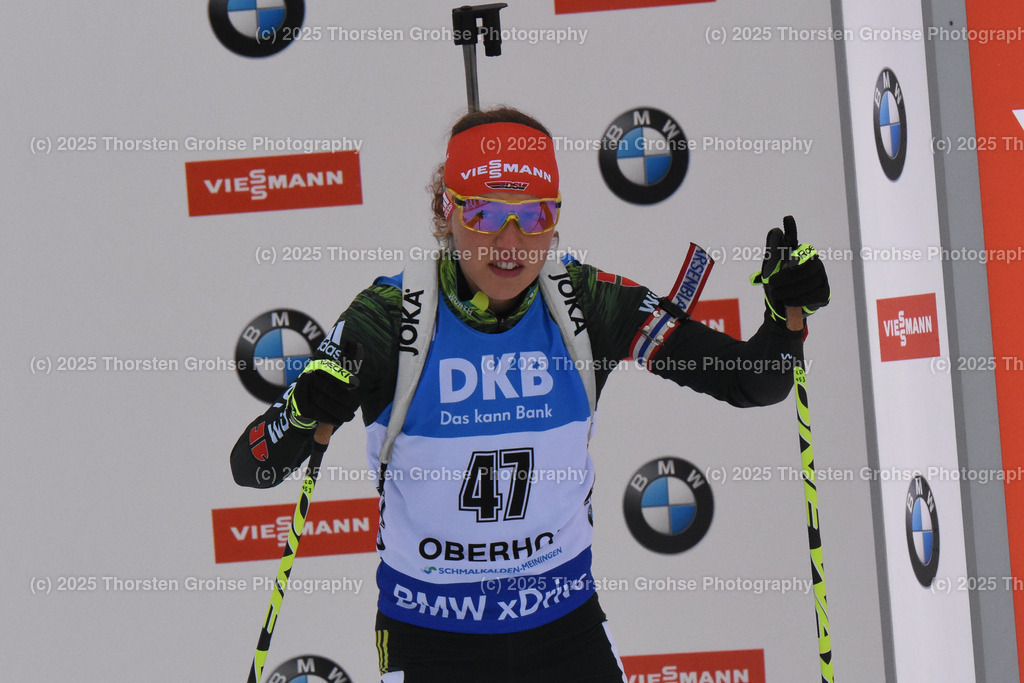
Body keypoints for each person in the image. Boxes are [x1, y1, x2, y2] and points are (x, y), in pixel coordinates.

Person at [230, 106, 830, 682]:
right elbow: (253, 465)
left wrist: (786, 318)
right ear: (447, 213)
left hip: (564, 630)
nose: (511, 243)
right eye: (487, 215)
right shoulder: (390, 316)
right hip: (432, 638)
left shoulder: (587, 303)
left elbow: (751, 381)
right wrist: (304, 410)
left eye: (536, 215)